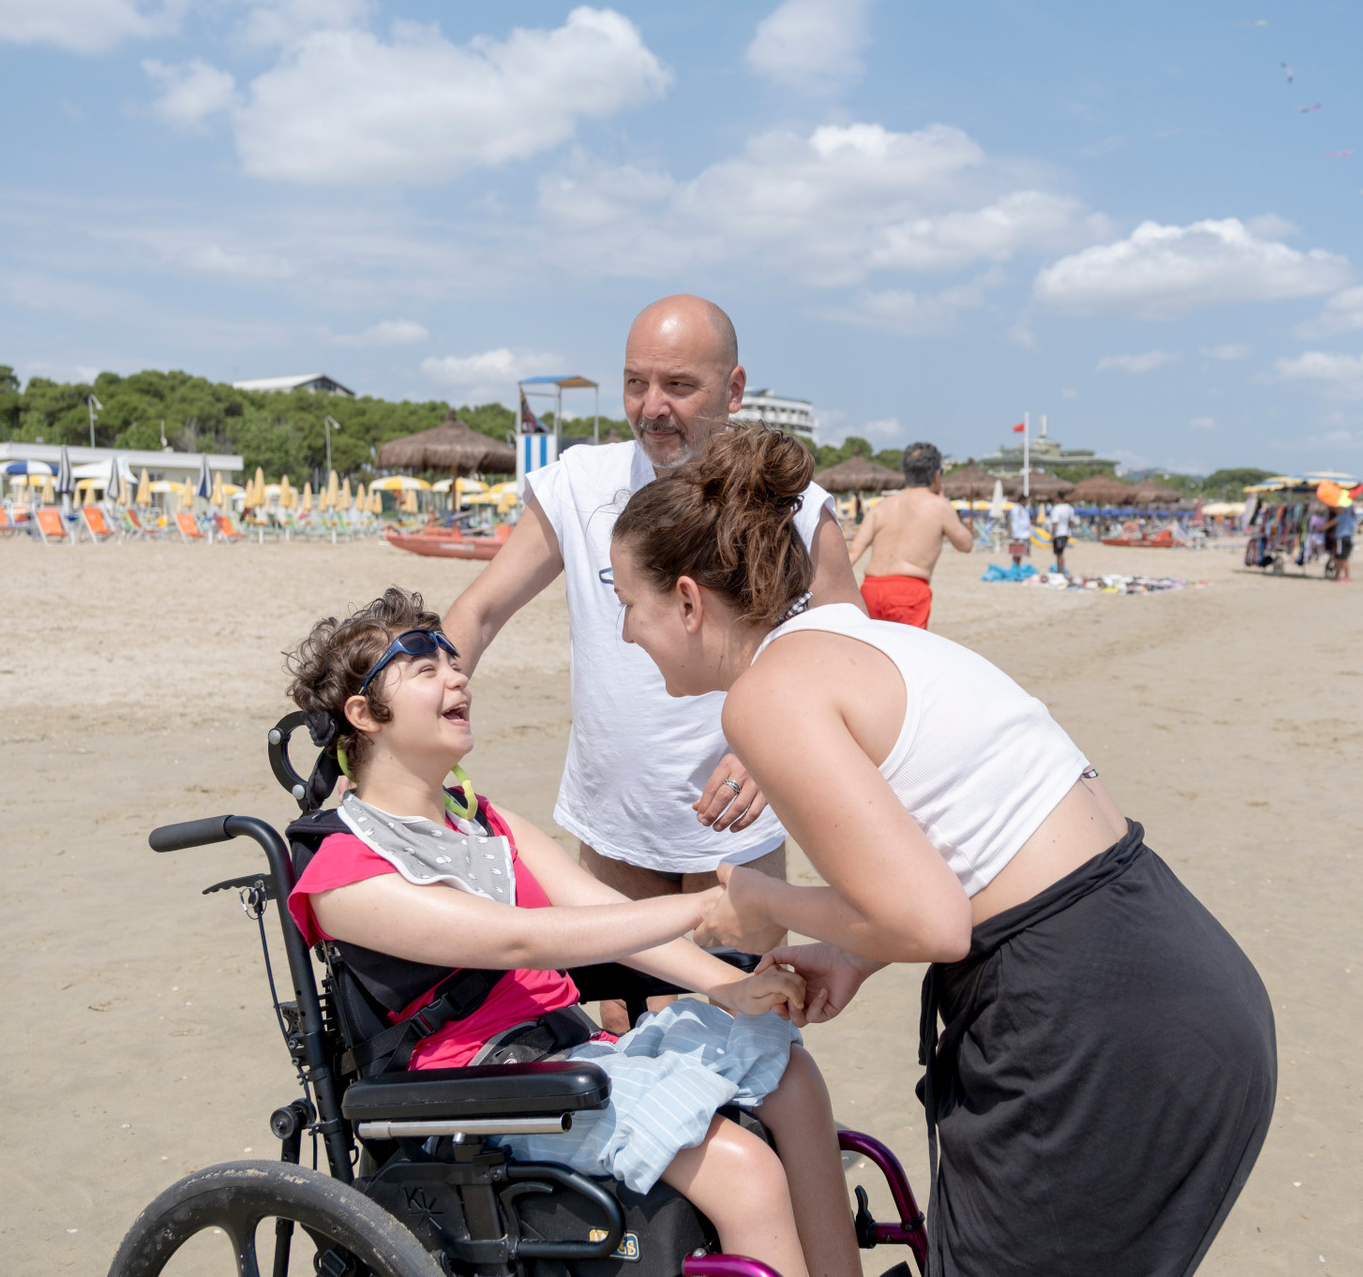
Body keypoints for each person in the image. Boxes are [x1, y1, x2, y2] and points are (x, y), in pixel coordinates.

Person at [606, 428, 1276, 1277]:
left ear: (691, 600)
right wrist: (850, 955)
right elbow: (975, 849)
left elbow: (931, 920)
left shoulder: (770, 696)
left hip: (1084, 1022)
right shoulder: (862, 641)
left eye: (629, 600)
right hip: (1182, 979)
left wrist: (761, 901)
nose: (626, 631)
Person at [282, 589, 861, 1277]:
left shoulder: (485, 822)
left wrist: (730, 986)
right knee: (744, 1172)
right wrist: (709, 905)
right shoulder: (342, 872)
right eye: (426, 668)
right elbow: (519, 940)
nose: (457, 675)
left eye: (453, 662)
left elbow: (600, 913)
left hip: (562, 1057)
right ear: (361, 715)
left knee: (791, 1076)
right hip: (475, 1096)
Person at [442, 296, 863, 1030]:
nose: (652, 407)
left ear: (734, 390)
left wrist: (775, 754)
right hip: (614, 826)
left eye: (679, 386)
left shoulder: (794, 508)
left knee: (751, 1043)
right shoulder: (580, 486)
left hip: (737, 834)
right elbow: (478, 612)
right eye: (636, 383)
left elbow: (850, 646)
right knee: (621, 1048)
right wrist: (415, 715)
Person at [846, 441, 972, 629]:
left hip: (871, 587)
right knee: (907, 654)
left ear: (906, 473)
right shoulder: (939, 506)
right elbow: (965, 544)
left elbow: (853, 552)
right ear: (937, 476)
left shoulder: (881, 506)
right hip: (908, 590)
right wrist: (944, 501)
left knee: (874, 653)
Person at [1330, 499, 1357, 583]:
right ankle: (1337, 576)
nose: (1334, 510)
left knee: (1342, 558)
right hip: (1348, 538)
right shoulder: (1350, 517)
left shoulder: (1341, 516)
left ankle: (1346, 577)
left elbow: (1330, 523)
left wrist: (1319, 528)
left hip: (1342, 538)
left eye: (1335, 509)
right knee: (1341, 558)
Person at [1048, 495, 1076, 575]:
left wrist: (1052, 535)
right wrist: (1069, 531)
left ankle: (1060, 571)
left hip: (1058, 534)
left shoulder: (1057, 508)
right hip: (1066, 533)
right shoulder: (1070, 508)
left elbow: (1055, 523)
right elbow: (1071, 522)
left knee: (1059, 554)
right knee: (1060, 553)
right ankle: (1060, 570)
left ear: (1058, 498)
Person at [1005, 499, 1032, 567]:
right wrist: (1016, 535)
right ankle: (1015, 566)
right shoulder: (1016, 509)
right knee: (1016, 552)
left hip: (1024, 534)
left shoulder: (1023, 509)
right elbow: (1015, 522)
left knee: (1020, 553)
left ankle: (1017, 566)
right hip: (1019, 535)